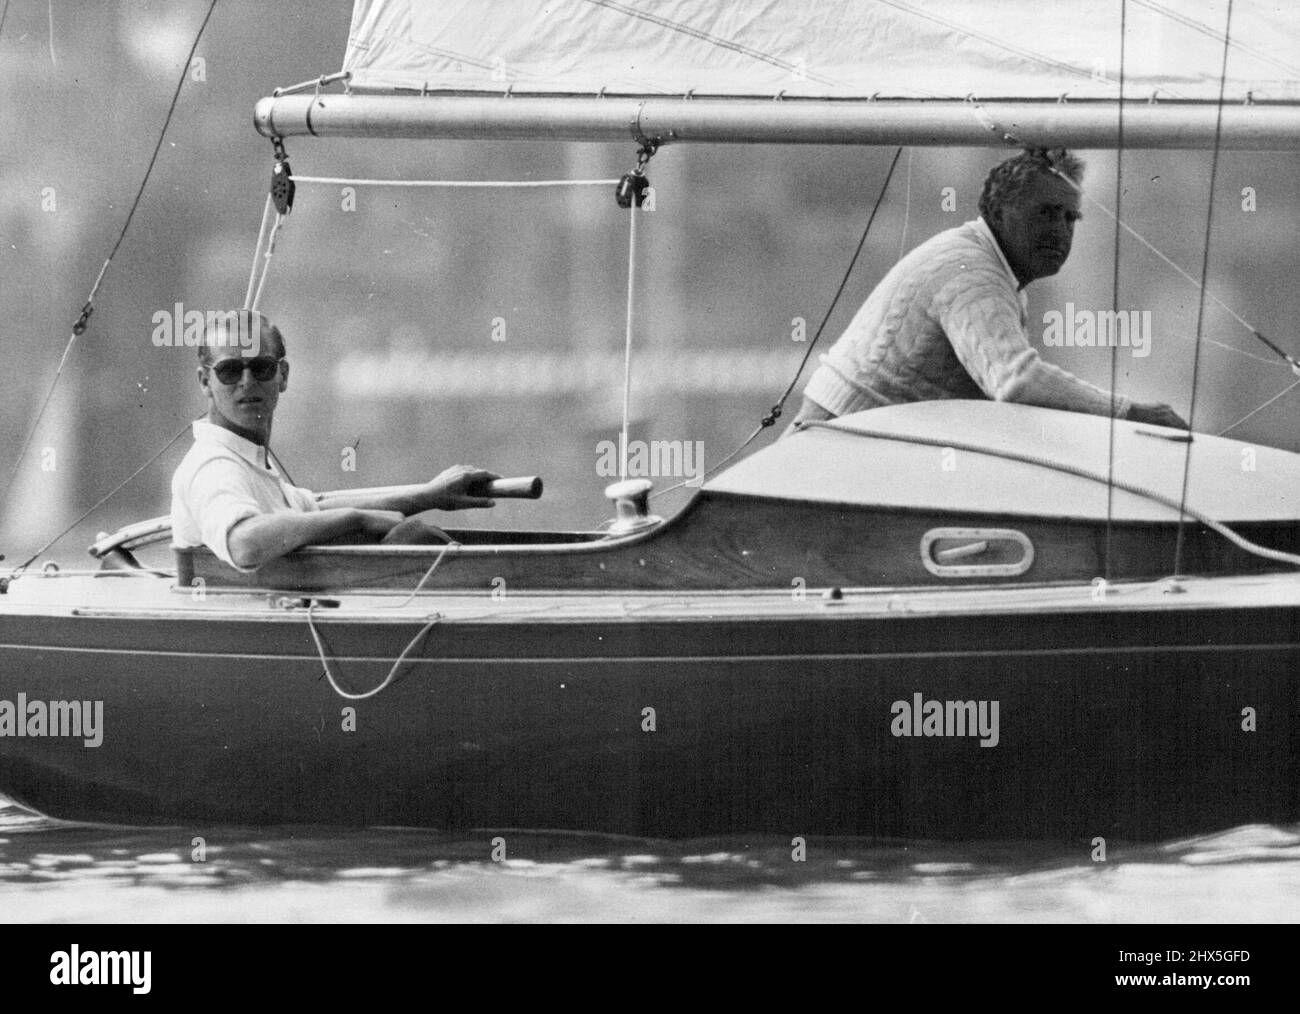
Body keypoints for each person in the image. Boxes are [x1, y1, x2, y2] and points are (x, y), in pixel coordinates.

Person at [788, 148, 1188, 432]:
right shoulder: (972, 273)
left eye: (1070, 218)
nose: (1060, 231)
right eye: (1045, 213)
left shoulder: (992, 267)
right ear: (998, 213)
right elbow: (1018, 382)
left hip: (866, 436)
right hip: (841, 437)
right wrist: (1129, 413)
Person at [171, 310, 499, 571]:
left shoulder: (244, 459)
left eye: (261, 368)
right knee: (415, 539)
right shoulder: (212, 466)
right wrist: (355, 519)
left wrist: (430, 494)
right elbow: (244, 543)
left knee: (416, 538)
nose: (247, 382)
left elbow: (315, 506)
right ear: (205, 381)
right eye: (229, 371)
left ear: (282, 376)